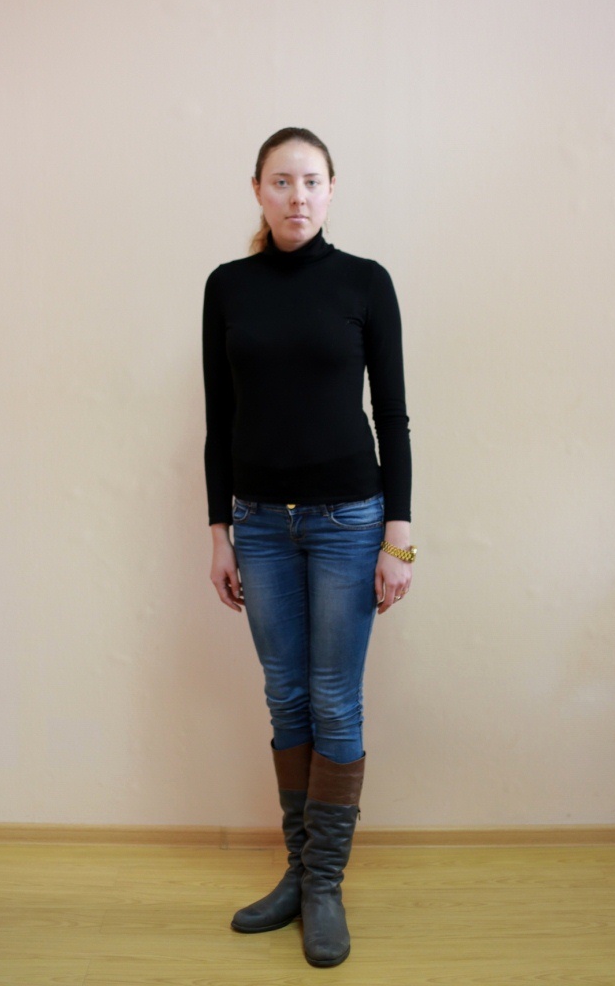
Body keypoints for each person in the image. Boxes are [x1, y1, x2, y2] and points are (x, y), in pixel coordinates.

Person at [202, 127, 414, 968]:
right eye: (282, 181)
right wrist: (218, 532)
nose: (298, 196)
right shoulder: (228, 286)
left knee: (333, 699)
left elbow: (391, 415)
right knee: (286, 696)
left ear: (331, 190)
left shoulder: (365, 282)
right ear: (258, 190)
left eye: (312, 181)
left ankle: (324, 884)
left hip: (348, 523)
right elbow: (219, 420)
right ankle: (298, 873)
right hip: (257, 524)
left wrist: (398, 538)